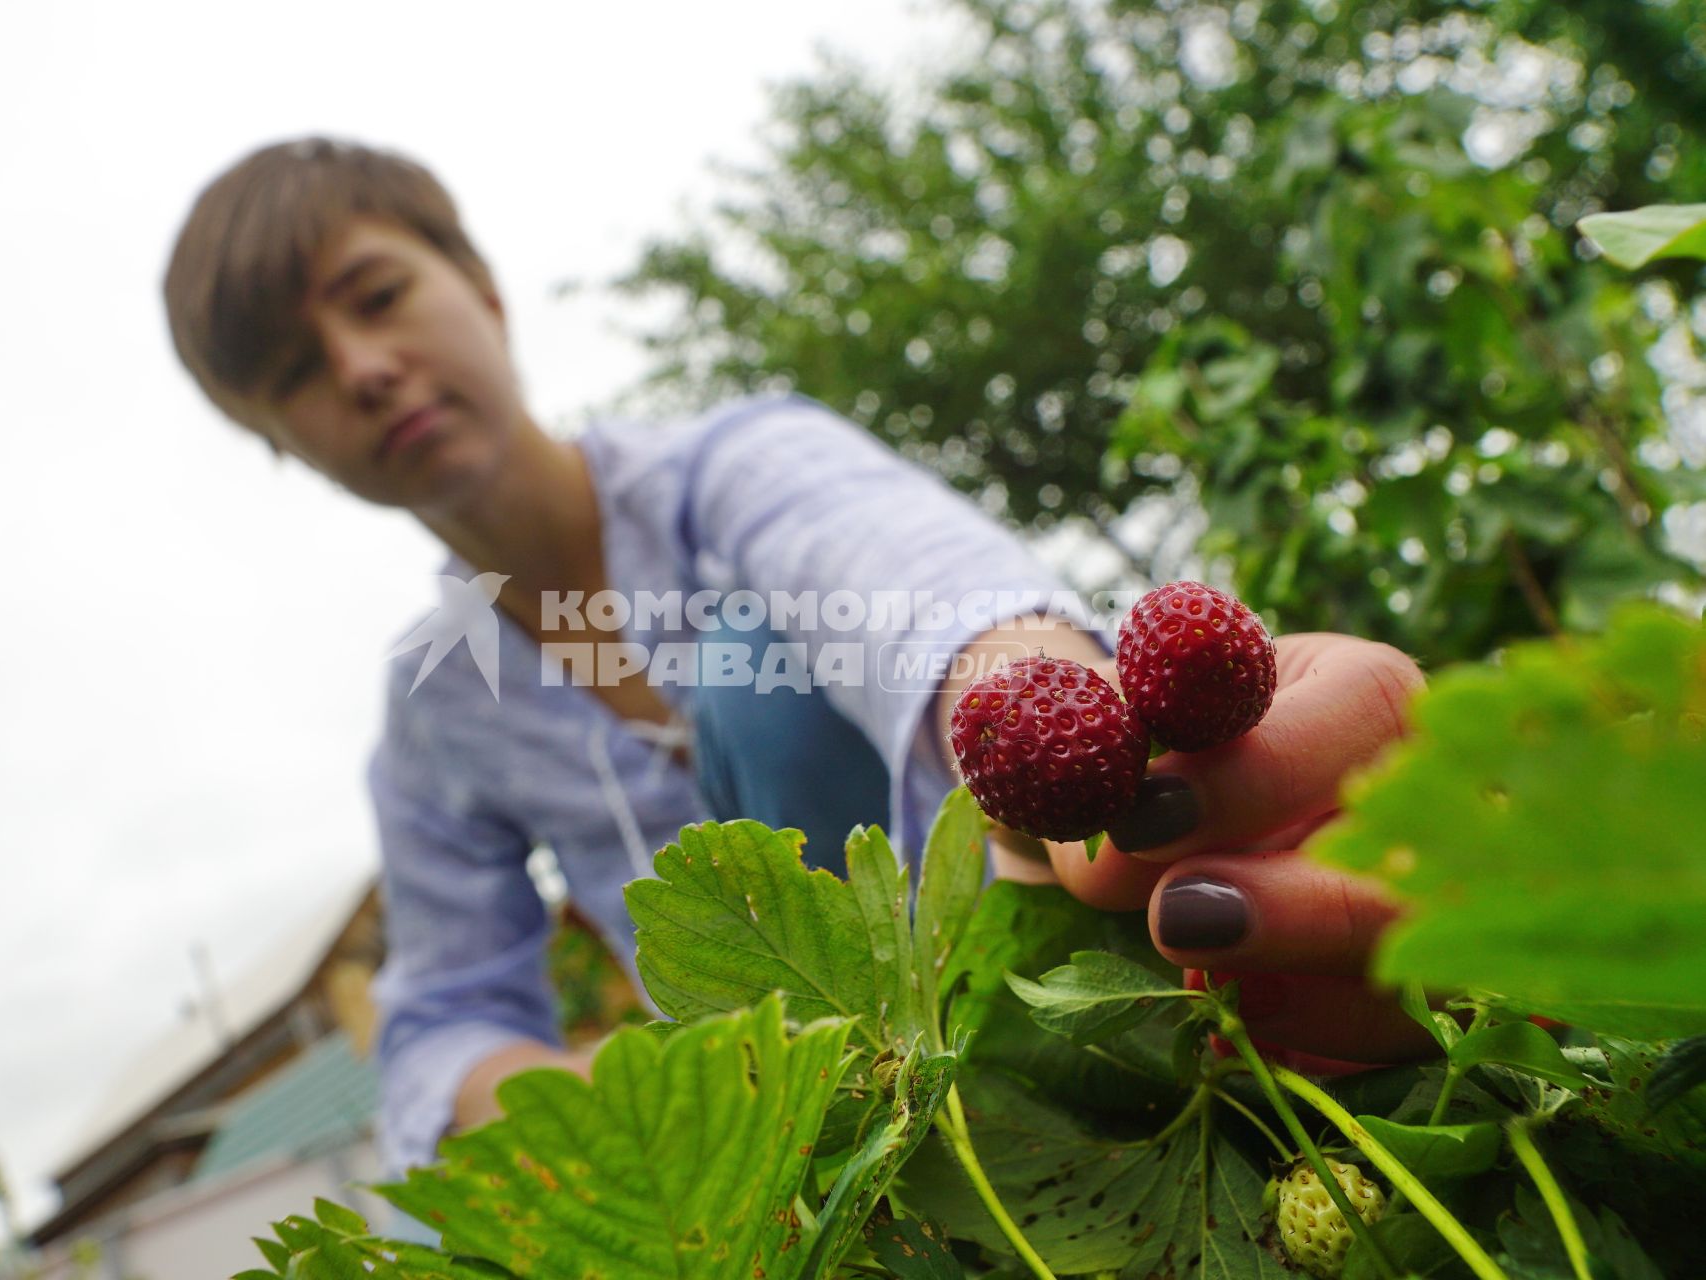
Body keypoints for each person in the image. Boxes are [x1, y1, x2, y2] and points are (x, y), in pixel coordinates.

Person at [161, 137, 1431, 1174]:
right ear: (281, 440)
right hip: (801, 1145)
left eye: (378, 298)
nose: (365, 369)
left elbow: (907, 589)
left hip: (1020, 973)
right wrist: (661, 1085)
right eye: (298, 375)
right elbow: (441, 1020)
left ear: (481, 287)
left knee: (751, 669)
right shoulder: (440, 704)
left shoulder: (736, 469)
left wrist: (1036, 703)